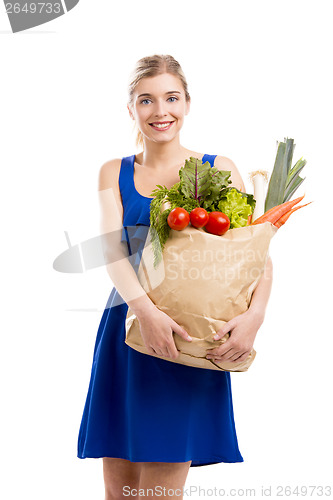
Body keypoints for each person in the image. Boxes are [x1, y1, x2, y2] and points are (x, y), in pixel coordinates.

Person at [77, 54, 273, 499]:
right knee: (119, 492)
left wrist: (254, 317)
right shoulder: (115, 171)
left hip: (187, 336)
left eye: (171, 98)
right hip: (127, 330)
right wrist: (144, 311)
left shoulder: (217, 167)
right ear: (131, 109)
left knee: (159, 493)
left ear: (187, 103)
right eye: (146, 100)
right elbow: (112, 252)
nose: (160, 111)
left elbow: (253, 253)